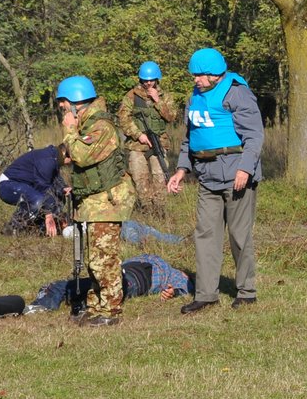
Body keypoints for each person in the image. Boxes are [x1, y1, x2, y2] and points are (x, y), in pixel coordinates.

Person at [168, 47, 264, 313]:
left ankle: (246, 291)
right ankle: (206, 294)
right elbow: (191, 137)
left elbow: (255, 136)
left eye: (200, 75)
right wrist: (181, 169)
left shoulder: (237, 93)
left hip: (236, 174)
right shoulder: (195, 97)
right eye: (194, 75)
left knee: (238, 234)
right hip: (207, 176)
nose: (195, 80)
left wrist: (245, 169)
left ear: (215, 74)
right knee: (205, 234)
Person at [58, 74, 137, 326]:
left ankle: (111, 310)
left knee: (104, 258)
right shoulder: (89, 125)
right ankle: (96, 305)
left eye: (63, 103)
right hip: (94, 200)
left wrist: (69, 129)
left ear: (75, 102)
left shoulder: (101, 126)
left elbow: (80, 155)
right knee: (94, 259)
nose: (61, 109)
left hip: (108, 202)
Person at [25, 254, 192, 313]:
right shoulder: (155, 258)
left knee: (105, 292)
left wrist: (173, 293)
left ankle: (86, 307)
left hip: (132, 282)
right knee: (65, 285)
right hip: (116, 271)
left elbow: (185, 288)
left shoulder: (176, 276)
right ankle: (43, 305)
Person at [117, 61, 179, 207]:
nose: (148, 83)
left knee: (160, 176)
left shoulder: (165, 96)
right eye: (145, 80)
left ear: (157, 79)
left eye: (151, 80)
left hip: (159, 142)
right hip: (137, 144)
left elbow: (171, 117)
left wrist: (158, 100)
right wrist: (139, 135)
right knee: (140, 178)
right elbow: (123, 119)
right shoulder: (132, 96)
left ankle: (159, 209)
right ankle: (146, 207)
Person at [0, 144, 65, 236]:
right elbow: (43, 188)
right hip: (7, 185)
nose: (70, 164)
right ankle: (12, 228)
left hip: (25, 186)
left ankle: (41, 230)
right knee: (37, 200)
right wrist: (48, 214)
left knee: (56, 198)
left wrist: (64, 188)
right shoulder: (46, 161)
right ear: (65, 155)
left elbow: (54, 181)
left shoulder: (54, 158)